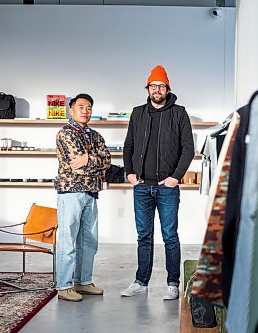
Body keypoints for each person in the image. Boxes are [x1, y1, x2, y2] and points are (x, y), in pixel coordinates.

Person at [121, 65, 195, 300]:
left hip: (167, 186)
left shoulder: (179, 113)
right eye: (153, 86)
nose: (157, 90)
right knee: (143, 236)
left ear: (167, 89)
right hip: (141, 185)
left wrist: (175, 177)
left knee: (169, 235)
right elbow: (129, 145)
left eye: (161, 86)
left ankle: (173, 283)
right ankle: (141, 282)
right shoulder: (138, 112)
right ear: (148, 89)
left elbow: (188, 149)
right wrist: (129, 173)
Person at [54, 93, 111, 302]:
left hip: (91, 193)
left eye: (88, 107)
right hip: (71, 192)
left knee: (89, 242)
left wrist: (88, 158)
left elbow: (108, 160)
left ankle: (83, 282)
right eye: (81, 107)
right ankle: (64, 286)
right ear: (71, 109)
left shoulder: (95, 135)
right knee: (68, 240)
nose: (85, 111)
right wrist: (94, 159)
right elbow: (76, 166)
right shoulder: (65, 134)